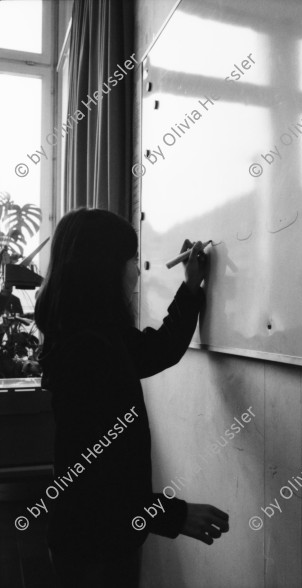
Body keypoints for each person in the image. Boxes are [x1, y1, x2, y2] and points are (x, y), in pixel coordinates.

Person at [34, 208, 229, 588]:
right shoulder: (87, 351)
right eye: (132, 260)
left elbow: (159, 349)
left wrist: (191, 288)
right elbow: (92, 476)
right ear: (105, 268)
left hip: (97, 538)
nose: (137, 271)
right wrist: (171, 515)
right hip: (92, 545)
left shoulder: (94, 335)